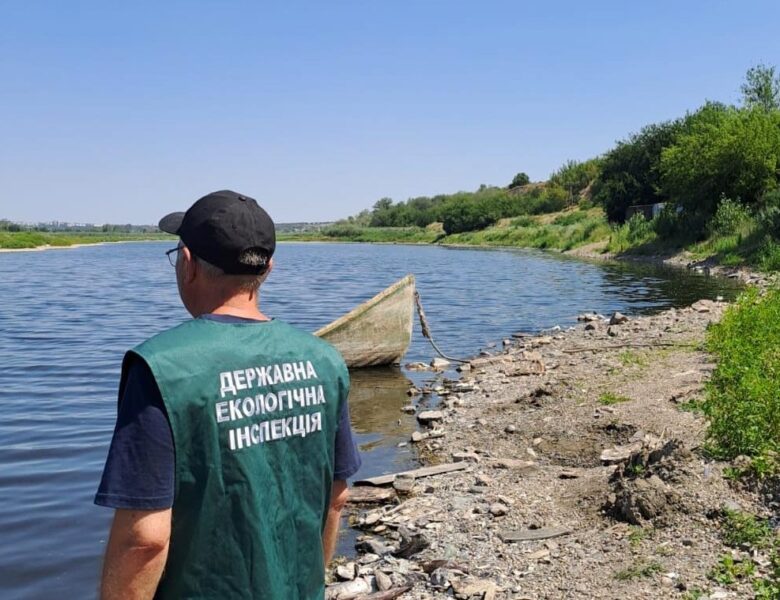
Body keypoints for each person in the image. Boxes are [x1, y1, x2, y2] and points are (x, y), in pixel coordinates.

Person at [95, 190, 361, 599]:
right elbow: (336, 498)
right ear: (268, 269)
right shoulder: (324, 360)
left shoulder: (160, 368)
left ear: (187, 264)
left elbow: (144, 539)